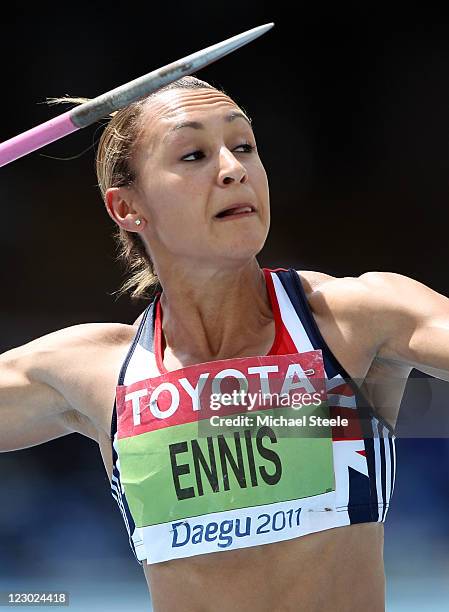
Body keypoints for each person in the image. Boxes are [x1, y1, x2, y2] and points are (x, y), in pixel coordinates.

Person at [1, 74, 449, 612]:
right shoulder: (90, 372)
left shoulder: (355, 320)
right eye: (192, 155)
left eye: (243, 147)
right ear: (126, 208)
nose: (234, 170)